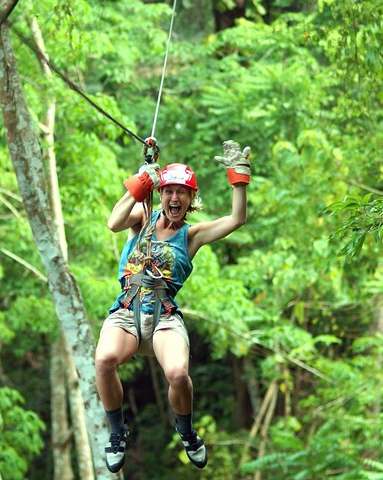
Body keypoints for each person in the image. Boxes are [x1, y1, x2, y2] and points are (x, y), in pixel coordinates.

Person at [94, 140, 252, 473]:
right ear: (162, 194)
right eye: (168, 192)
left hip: (164, 317)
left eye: (182, 193)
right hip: (127, 310)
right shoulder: (143, 216)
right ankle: (117, 431)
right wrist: (140, 186)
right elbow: (113, 221)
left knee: (178, 374)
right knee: (105, 360)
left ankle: (187, 431)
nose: (174, 198)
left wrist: (238, 177)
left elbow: (237, 219)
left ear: (191, 200)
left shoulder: (191, 235)